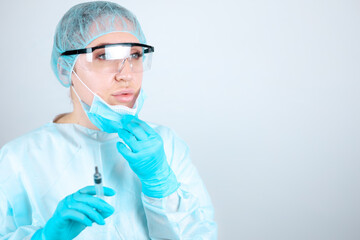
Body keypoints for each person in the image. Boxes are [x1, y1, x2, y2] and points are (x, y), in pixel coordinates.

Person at [0, 1, 217, 239]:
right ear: (65, 69)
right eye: (104, 56)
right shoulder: (19, 158)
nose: (126, 74)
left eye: (134, 54)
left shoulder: (165, 145)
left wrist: (161, 185)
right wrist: (46, 237)